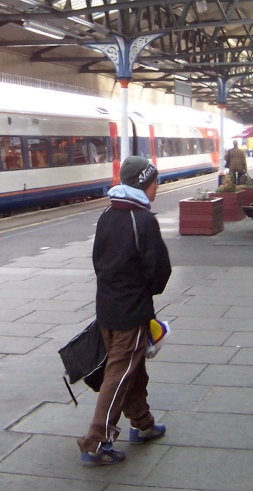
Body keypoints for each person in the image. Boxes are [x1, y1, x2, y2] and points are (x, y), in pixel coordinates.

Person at [77, 155, 172, 466]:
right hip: (131, 313)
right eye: (155, 182)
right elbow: (158, 271)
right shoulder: (143, 220)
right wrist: (144, 292)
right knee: (118, 375)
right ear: (144, 184)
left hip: (107, 308)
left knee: (133, 369)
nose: (158, 187)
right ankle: (95, 441)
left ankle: (143, 423)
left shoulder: (107, 214)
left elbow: (98, 261)